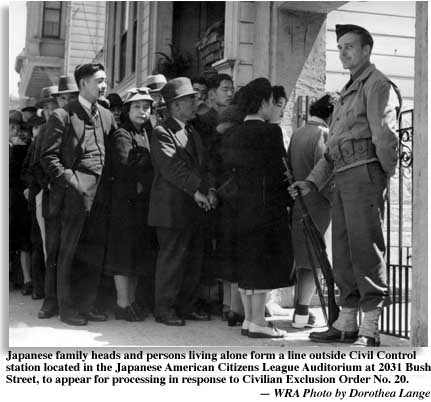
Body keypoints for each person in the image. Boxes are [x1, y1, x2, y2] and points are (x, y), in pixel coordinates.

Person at [289, 24, 400, 346]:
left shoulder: (376, 84)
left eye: (350, 46)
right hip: (342, 176)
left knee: (365, 248)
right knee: (343, 250)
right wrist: (311, 182)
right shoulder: (347, 90)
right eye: (339, 47)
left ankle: (370, 328)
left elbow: (385, 135)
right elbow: (334, 147)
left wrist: (384, 173)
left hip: (364, 173)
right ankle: (346, 323)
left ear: (367, 50)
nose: (343, 52)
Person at [40, 63, 116, 326]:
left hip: (101, 195)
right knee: (69, 252)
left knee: (94, 251)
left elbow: (114, 153)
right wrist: (72, 182)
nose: (104, 85)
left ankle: (88, 304)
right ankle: (67, 309)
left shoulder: (106, 115)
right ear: (83, 83)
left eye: (104, 80)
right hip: (73, 194)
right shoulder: (62, 115)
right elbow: (48, 156)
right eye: (99, 80)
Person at [220, 78, 295, 338]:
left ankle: (249, 320)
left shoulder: (233, 133)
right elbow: (280, 172)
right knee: (262, 265)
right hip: (265, 209)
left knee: (246, 264)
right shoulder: (270, 132)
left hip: (238, 209)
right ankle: (258, 322)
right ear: (263, 102)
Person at [148, 77, 216, 326]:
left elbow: (205, 166)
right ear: (175, 105)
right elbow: (171, 168)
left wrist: (209, 190)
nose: (195, 103)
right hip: (171, 210)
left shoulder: (191, 132)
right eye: (190, 99)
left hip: (192, 208)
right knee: (172, 260)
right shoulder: (161, 132)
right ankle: (164, 309)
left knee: (192, 260)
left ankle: (185, 307)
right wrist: (197, 192)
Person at [103, 87, 157, 321]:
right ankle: (122, 304)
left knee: (136, 253)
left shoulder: (147, 133)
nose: (142, 112)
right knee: (123, 254)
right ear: (127, 110)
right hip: (125, 204)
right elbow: (127, 165)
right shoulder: (122, 134)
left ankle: (131, 302)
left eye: (146, 107)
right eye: (137, 107)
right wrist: (147, 161)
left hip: (142, 203)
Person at [287, 93, 337, 328]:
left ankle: (301, 311)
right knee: (314, 258)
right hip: (318, 201)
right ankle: (302, 312)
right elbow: (324, 171)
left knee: (303, 256)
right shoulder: (323, 134)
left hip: (299, 200)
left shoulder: (298, 133)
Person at [21, 115, 47, 300]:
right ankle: (39, 288)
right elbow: (26, 172)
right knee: (38, 243)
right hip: (38, 197)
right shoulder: (34, 145)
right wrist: (35, 187)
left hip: (47, 198)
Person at [9, 112, 32, 295]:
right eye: (11, 126)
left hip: (18, 199)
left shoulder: (22, 148)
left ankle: (25, 279)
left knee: (23, 238)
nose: (14, 130)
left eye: (17, 127)